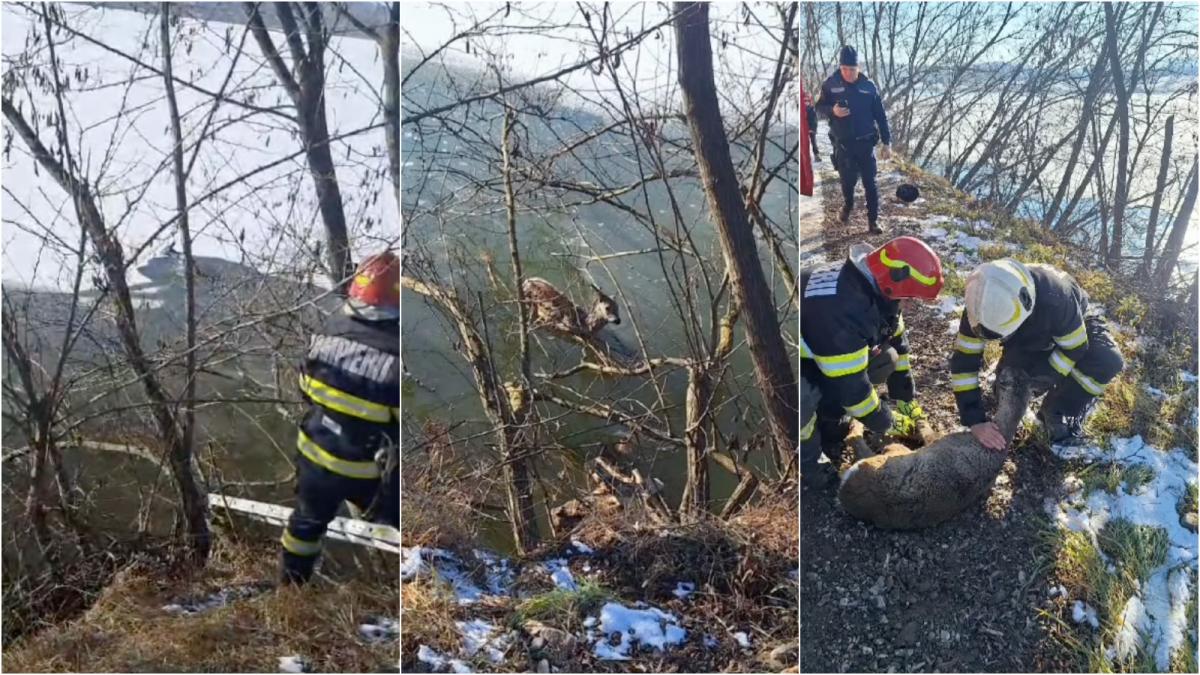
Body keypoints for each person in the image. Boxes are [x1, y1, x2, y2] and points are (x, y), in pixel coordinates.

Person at [280, 251, 400, 584]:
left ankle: (290, 588)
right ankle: (399, 586)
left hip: (315, 458)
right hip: (368, 472)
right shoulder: (395, 354)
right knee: (399, 526)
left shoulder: (328, 330)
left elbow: (305, 388)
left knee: (305, 526)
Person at [800, 236, 944, 489]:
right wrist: (886, 421)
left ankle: (832, 416)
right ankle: (812, 463)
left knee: (886, 358)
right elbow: (853, 391)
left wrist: (905, 397)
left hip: (826, 348)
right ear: (893, 285)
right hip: (794, 358)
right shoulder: (844, 309)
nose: (912, 306)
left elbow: (898, 341)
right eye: (910, 299)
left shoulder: (876, 287)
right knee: (802, 401)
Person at [949, 260, 1124, 450]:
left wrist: (1047, 376)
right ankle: (1008, 378)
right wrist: (974, 420)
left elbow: (1075, 348)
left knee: (1108, 360)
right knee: (1013, 385)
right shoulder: (979, 304)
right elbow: (964, 363)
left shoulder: (1057, 299)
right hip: (1028, 335)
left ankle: (1057, 410)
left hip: (1075, 320)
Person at [815, 45, 893, 234]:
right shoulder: (830, 85)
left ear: (858, 67)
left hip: (866, 143)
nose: (848, 73)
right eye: (844, 69)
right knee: (848, 182)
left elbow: (881, 116)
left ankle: (873, 221)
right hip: (844, 145)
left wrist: (887, 142)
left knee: (870, 183)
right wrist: (832, 111)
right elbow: (818, 109)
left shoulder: (869, 86)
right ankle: (848, 205)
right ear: (840, 67)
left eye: (852, 69)